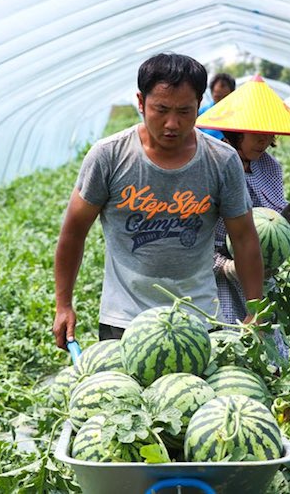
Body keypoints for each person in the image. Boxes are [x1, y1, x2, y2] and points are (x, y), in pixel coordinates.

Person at [52, 54, 264, 349]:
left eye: (185, 111)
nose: (172, 124)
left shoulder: (222, 160)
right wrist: (63, 305)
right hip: (124, 320)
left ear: (200, 104)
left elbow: (244, 239)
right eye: (161, 109)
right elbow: (73, 232)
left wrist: (256, 311)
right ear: (141, 102)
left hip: (200, 317)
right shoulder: (109, 156)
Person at [195, 75, 290, 333]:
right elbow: (196, 231)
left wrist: (286, 225)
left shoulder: (270, 167)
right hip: (216, 275)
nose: (263, 139)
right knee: (227, 337)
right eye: (256, 132)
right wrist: (226, 266)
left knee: (264, 342)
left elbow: (273, 213)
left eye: (268, 133)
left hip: (260, 273)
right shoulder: (213, 165)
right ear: (236, 131)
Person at [197, 73, 236, 140]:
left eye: (225, 97)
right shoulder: (202, 113)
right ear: (212, 94)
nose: (221, 101)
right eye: (217, 97)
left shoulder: (238, 112)